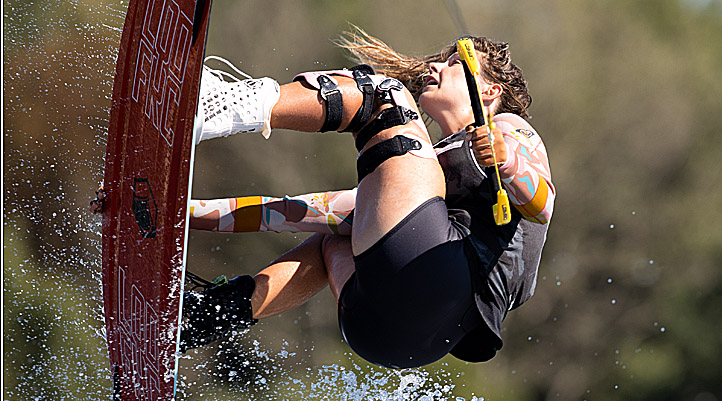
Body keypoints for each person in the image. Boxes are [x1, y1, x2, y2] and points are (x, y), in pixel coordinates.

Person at [181, 28, 555, 369]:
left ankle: (217, 106)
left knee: (383, 95)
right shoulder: (417, 178)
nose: (436, 67)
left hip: (439, 281)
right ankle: (202, 318)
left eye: (454, 64)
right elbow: (289, 212)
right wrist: (183, 214)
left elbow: (541, 206)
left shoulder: (507, 128)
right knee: (331, 242)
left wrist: (506, 161)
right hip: (393, 340)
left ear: (490, 92)